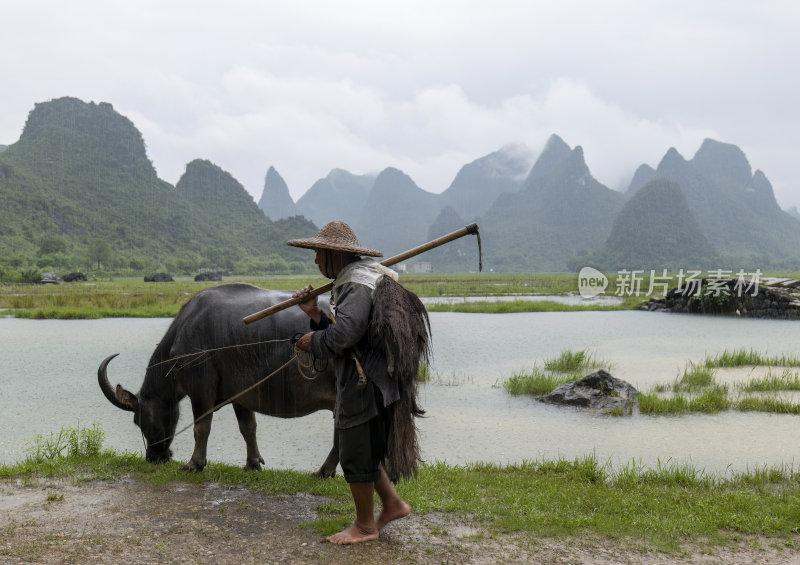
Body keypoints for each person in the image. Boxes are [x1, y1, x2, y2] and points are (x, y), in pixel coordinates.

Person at [289, 221, 428, 545]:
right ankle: (392, 504)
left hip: (365, 381)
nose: (315, 261)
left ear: (333, 255)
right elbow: (356, 333)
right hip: (373, 377)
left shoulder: (355, 284)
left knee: (353, 451)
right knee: (362, 448)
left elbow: (346, 335)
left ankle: (365, 526)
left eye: (318, 253)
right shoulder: (361, 278)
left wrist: (314, 340)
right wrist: (315, 315)